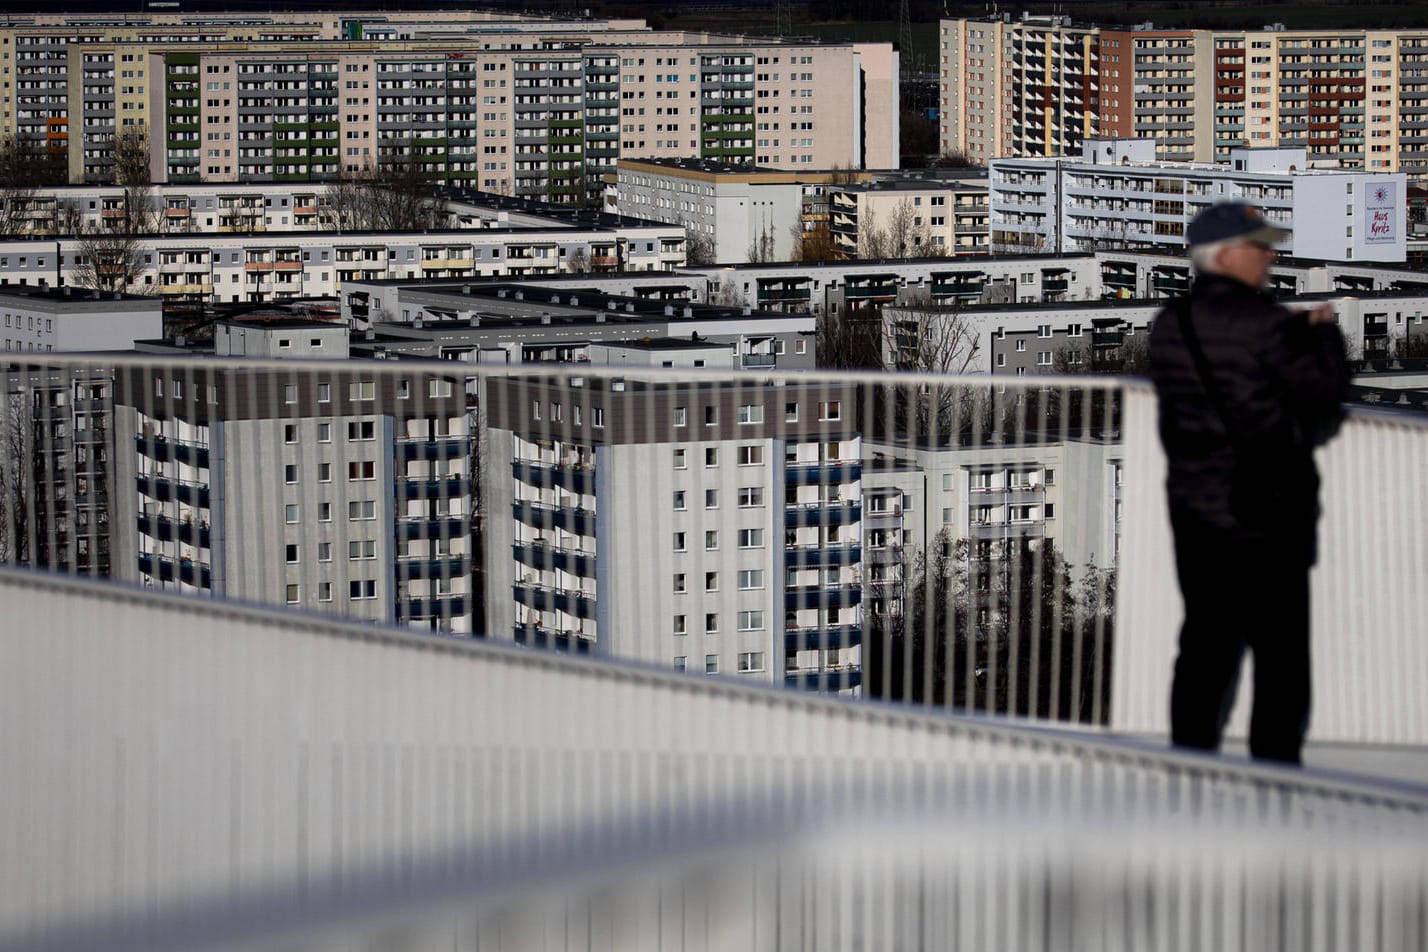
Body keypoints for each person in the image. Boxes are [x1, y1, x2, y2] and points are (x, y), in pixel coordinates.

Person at [1147, 201, 1349, 765]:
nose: (1271, 255)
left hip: (1195, 512)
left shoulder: (1170, 324)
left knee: (1205, 646)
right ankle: (1273, 780)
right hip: (1269, 515)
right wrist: (1325, 335)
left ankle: (1189, 765)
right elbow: (1323, 392)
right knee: (1280, 658)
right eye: (1260, 246)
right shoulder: (1267, 325)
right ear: (1228, 255)